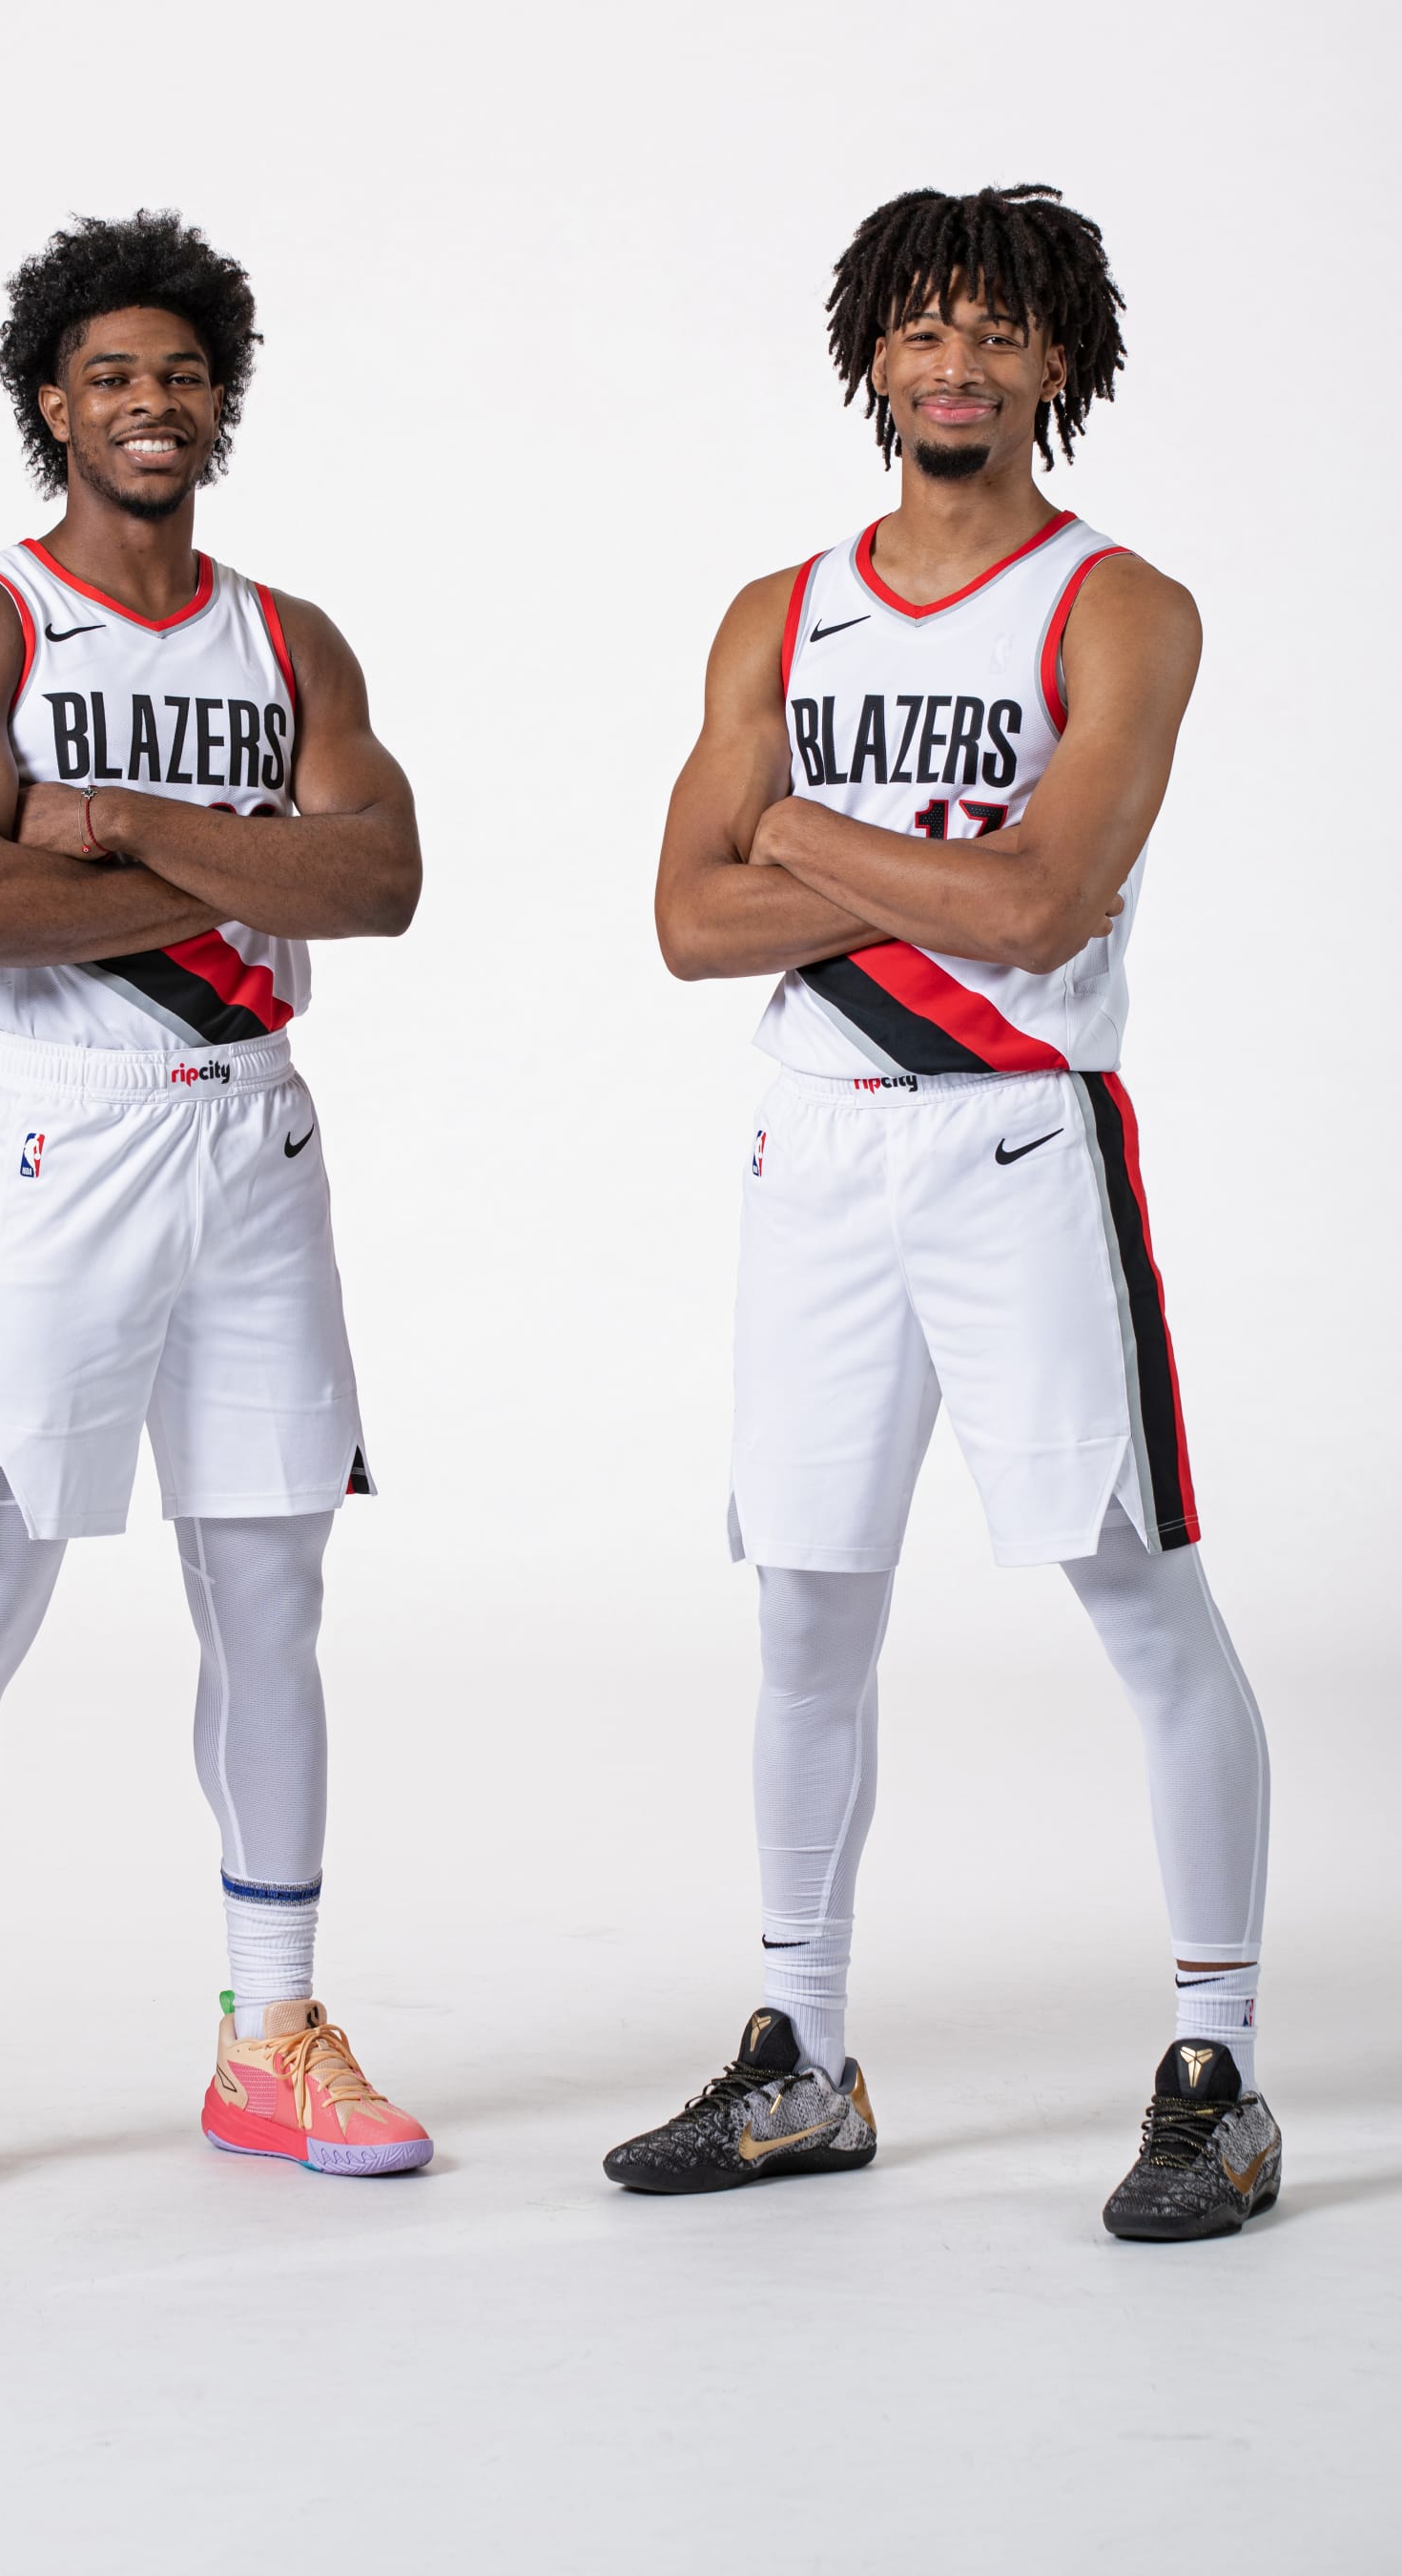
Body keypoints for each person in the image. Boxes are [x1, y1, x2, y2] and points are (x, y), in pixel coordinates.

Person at [603, 185, 1277, 2241]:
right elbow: (682, 921)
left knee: (1132, 1588)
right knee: (807, 1601)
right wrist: (917, 859)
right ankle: (802, 2056)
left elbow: (1044, 901)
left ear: (1058, 361)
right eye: (921, 329)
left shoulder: (1120, 607)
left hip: (1012, 1145)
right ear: (870, 359)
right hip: (815, 1152)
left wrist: (800, 824)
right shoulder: (776, 611)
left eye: (995, 328)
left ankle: (1223, 2074)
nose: (956, 360)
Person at [0, 210, 433, 2218]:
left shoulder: (292, 638)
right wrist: (255, 863)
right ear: (50, 407)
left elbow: (389, 885)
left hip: (252, 1143)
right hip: (53, 1142)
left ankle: (271, 2035)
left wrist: (118, 822)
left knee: (269, 1598)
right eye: (108, 376)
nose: (147, 404)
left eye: (179, 373)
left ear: (220, 402)